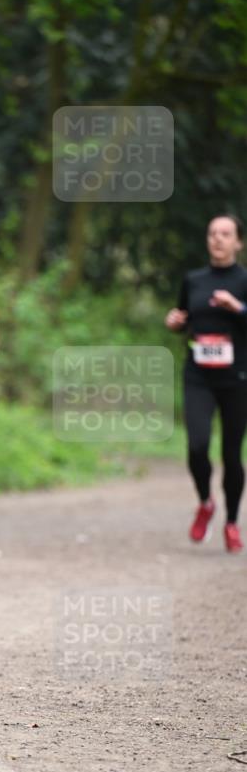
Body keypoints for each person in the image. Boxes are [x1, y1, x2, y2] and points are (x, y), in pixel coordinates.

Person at [165, 214, 247, 553]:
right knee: (197, 446)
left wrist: (238, 307)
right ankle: (205, 502)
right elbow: (183, 317)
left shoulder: (244, 280)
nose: (218, 239)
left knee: (231, 453)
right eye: (213, 233)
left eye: (226, 234)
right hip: (198, 374)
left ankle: (230, 522)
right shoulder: (194, 279)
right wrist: (174, 322)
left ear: (238, 242)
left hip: (237, 377)